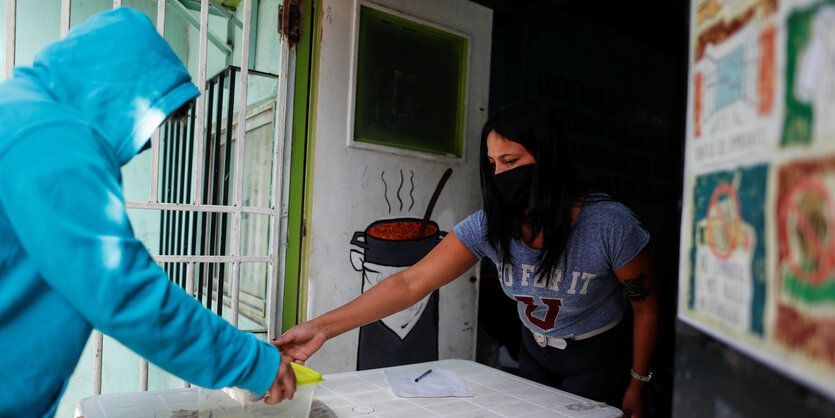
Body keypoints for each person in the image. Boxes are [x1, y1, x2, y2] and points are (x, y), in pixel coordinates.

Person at [275, 99, 659, 417]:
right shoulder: (490, 226)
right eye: (492, 165)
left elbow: (647, 308)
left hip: (596, 355)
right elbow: (410, 283)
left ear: (548, 160)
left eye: (510, 161)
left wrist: (638, 385)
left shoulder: (608, 225)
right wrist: (321, 328)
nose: (499, 175)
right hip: (535, 351)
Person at [0, 8, 294, 416]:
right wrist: (251, 360)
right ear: (114, 86)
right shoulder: (48, 135)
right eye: (153, 119)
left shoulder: (23, 114)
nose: (145, 147)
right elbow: (120, 287)